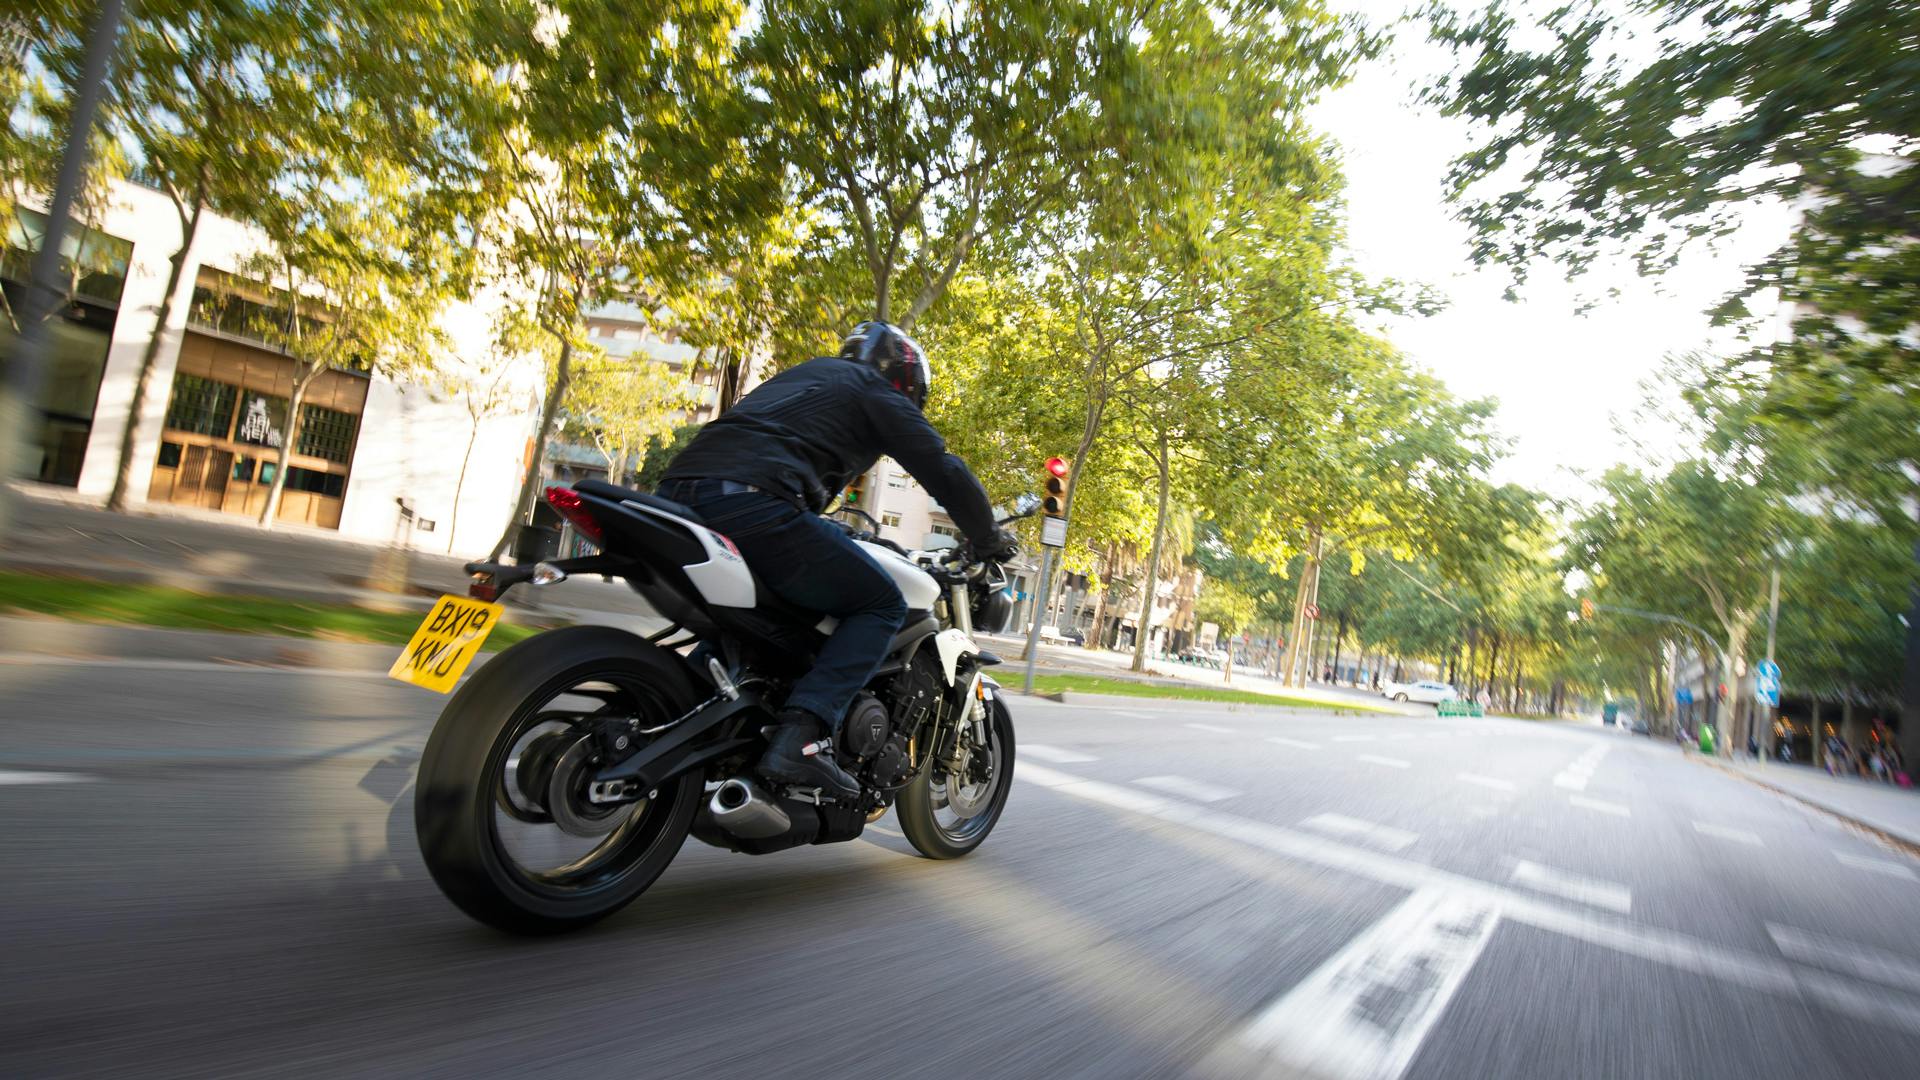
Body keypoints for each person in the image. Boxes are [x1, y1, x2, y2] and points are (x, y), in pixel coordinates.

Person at [656, 321, 1017, 798]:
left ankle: (693, 711)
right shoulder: (874, 391)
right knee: (881, 605)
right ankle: (803, 737)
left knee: (763, 621)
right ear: (905, 382)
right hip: (752, 504)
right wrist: (988, 537)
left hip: (681, 496)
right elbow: (944, 471)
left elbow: (778, 472)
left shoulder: (806, 376)